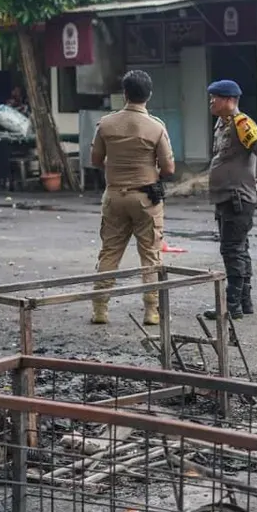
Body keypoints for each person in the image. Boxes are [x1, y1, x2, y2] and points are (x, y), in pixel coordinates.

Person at [90, 70, 175, 326]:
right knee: (150, 254)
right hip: (146, 199)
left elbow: (95, 160)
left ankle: (100, 309)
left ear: (125, 94)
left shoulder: (106, 124)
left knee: (109, 252)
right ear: (148, 95)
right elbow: (169, 169)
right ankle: (151, 311)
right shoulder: (156, 127)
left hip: (114, 196)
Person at [205, 79, 257, 320]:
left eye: (215, 97)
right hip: (226, 197)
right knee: (240, 249)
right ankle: (244, 302)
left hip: (237, 197)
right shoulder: (221, 124)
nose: (211, 101)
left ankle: (231, 305)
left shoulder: (242, 123)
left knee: (232, 250)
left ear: (229, 100)